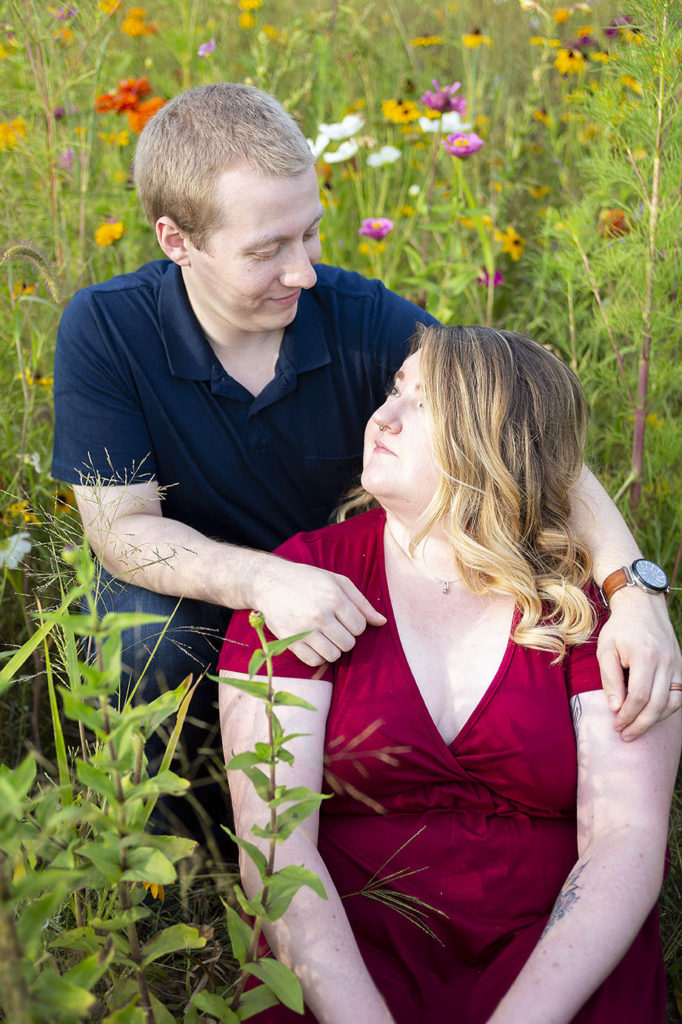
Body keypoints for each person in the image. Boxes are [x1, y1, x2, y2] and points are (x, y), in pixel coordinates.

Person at [52, 83, 680, 842]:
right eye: (266, 251)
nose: (304, 273)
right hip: (207, 599)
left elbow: (519, 435)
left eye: (309, 235)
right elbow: (122, 533)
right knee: (137, 634)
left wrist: (632, 592)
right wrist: (264, 580)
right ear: (177, 241)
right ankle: (180, 858)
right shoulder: (108, 329)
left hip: (353, 614)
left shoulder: (358, 317)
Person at [218, 324, 682, 1024]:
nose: (385, 415)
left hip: (556, 957)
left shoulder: (593, 610)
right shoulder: (304, 581)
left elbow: (627, 841)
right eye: (394, 390)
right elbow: (273, 839)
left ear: (498, 443)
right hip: (345, 951)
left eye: (426, 402)